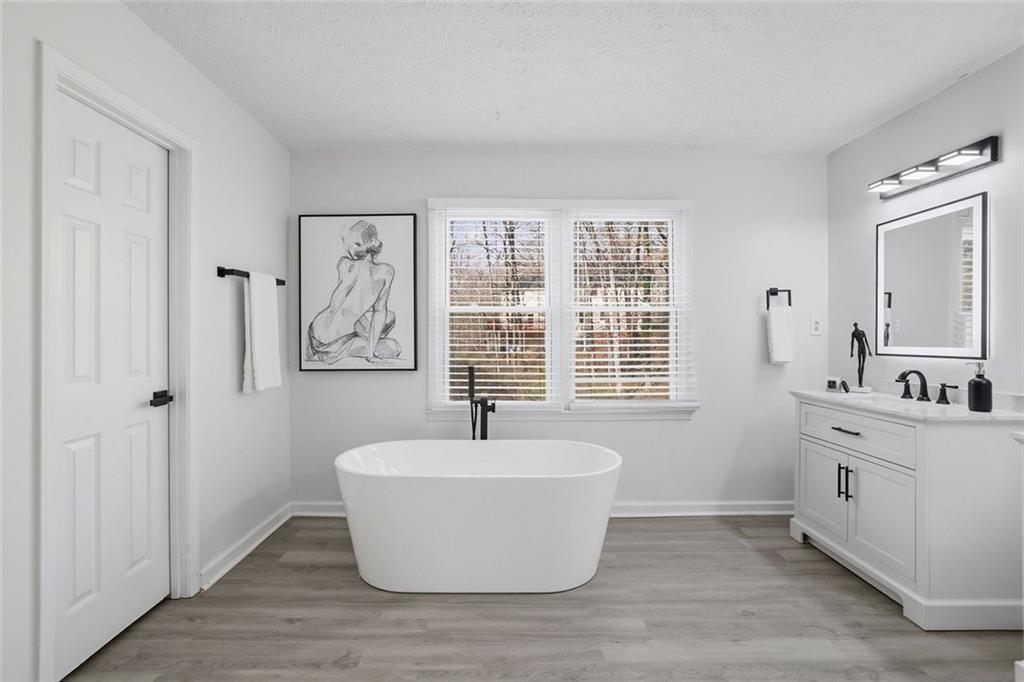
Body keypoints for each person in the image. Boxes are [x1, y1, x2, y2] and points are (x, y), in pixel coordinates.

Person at [306, 219, 401, 365]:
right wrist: (370, 353)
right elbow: (378, 311)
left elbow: (347, 305)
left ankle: (361, 341)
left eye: (357, 244)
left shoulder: (344, 264)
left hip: (314, 330)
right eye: (350, 243)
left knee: (388, 319)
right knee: (394, 346)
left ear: (371, 244)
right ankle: (338, 352)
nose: (350, 249)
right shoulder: (385, 272)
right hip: (335, 344)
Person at [850, 322, 872, 388]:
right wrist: (851, 352)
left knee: (863, 365)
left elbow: (866, 341)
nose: (856, 326)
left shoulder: (862, 332)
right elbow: (852, 343)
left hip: (864, 348)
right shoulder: (853, 333)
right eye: (855, 325)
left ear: (857, 325)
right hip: (859, 348)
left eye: (856, 325)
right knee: (859, 365)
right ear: (854, 326)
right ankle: (860, 382)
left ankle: (861, 382)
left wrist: (869, 351)